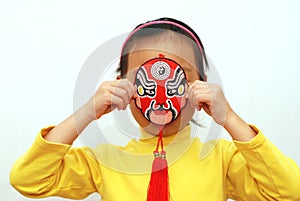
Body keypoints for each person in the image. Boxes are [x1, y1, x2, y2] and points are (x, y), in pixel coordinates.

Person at [10, 17, 300, 201]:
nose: (161, 95)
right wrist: (87, 111)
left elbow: (289, 191)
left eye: (179, 78)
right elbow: (28, 180)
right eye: (144, 80)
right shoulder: (105, 161)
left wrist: (231, 119)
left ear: (203, 89)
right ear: (121, 86)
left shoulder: (222, 160)